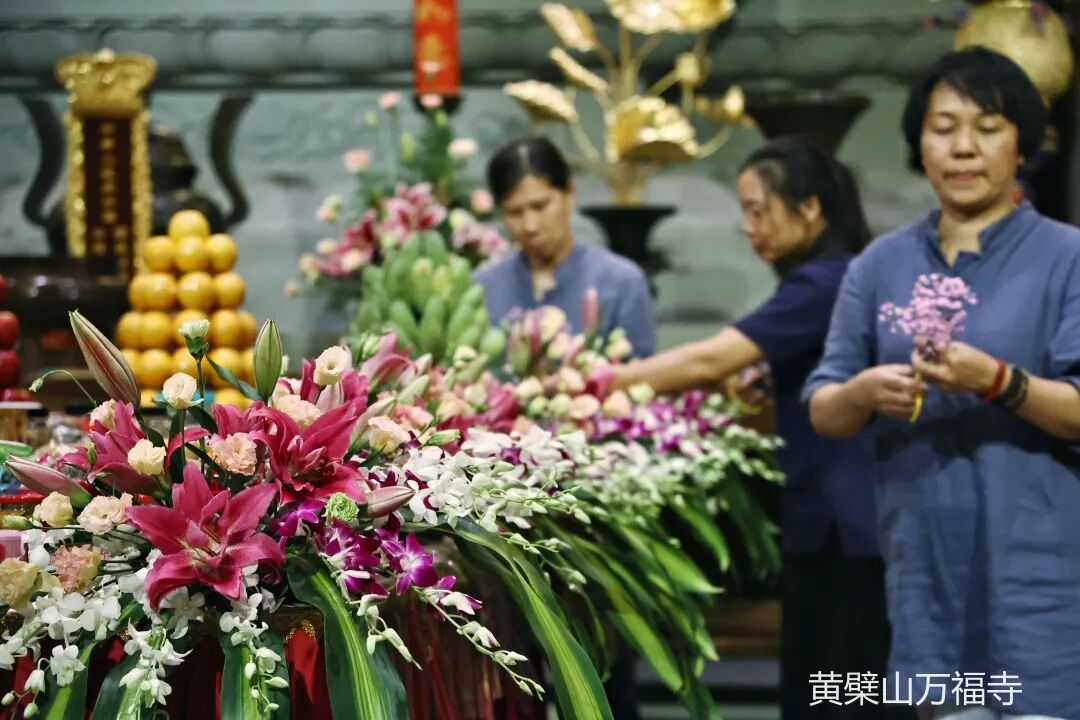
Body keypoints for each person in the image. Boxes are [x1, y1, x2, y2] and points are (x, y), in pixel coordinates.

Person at [805, 47, 1080, 720]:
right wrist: (865, 392)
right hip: (926, 575)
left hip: (1041, 577)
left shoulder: (1067, 257)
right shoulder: (880, 264)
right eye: (943, 127)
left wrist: (996, 381)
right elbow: (824, 407)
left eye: (986, 128)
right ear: (918, 144)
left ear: (1023, 145)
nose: (963, 147)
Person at [613, 137, 905, 719]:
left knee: (843, 698)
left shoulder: (825, 282)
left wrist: (595, 381)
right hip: (835, 524)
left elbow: (706, 361)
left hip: (845, 531)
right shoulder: (832, 277)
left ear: (810, 209)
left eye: (757, 210)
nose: (748, 228)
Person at [475, 137, 656, 358]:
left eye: (540, 206)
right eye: (514, 213)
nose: (530, 226)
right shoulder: (482, 288)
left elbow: (642, 378)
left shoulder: (621, 282)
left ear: (570, 194)